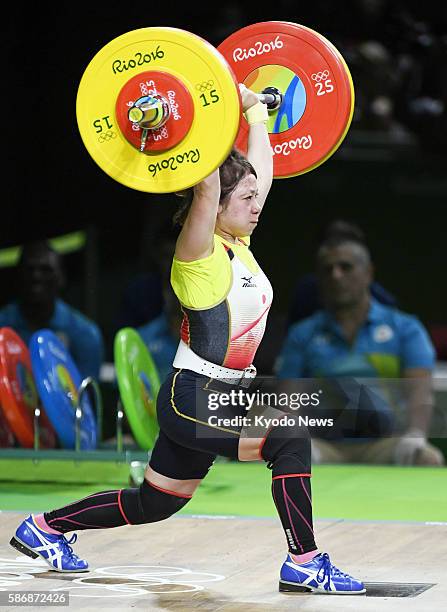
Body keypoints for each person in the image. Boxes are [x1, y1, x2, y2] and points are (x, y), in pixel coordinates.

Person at [10, 86, 365, 594]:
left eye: (254, 195)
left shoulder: (238, 242)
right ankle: (305, 561)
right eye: (245, 198)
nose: (256, 202)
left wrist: (254, 114)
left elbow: (256, 173)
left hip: (225, 392)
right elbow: (203, 185)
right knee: (289, 436)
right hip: (195, 395)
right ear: (216, 206)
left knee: (156, 502)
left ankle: (45, 528)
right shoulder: (197, 254)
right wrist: (188, 123)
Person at [276, 233, 445, 466]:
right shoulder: (302, 334)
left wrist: (416, 433)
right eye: (327, 270)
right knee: (276, 458)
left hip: (386, 444)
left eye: (346, 267)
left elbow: (420, 391)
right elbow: (288, 397)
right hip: (323, 446)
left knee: (428, 458)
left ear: (368, 273)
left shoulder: (406, 329)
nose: (336, 275)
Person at [0, 240, 104, 381]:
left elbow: (86, 397)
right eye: (29, 269)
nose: (36, 276)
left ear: (61, 278)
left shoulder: (85, 334)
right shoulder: (3, 324)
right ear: (17, 276)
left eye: (46, 270)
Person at [287, 219, 397, 327]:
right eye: (328, 268)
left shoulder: (383, 301)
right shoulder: (306, 292)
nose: (336, 276)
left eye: (346, 266)